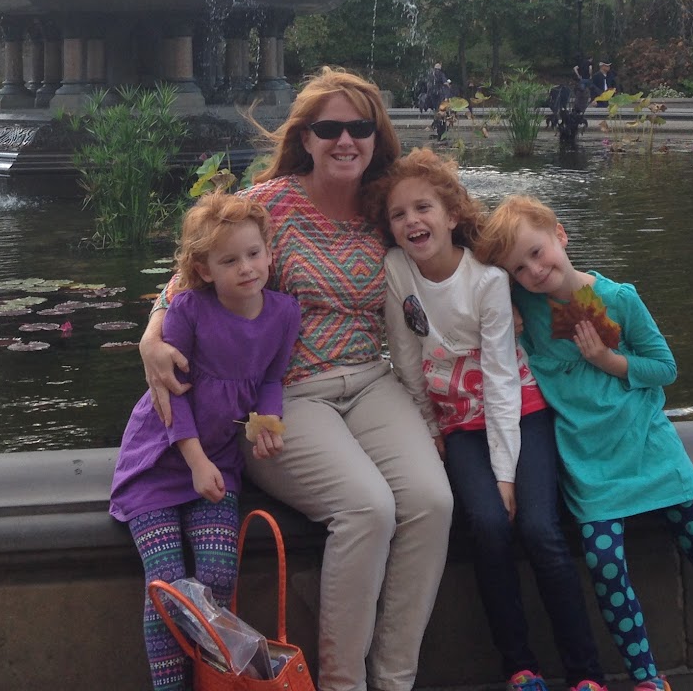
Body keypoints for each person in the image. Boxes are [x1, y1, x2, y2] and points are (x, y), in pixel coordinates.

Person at [140, 68, 453, 691]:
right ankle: (342, 685)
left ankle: (394, 681)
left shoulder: (384, 206)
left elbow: (463, 250)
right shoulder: (273, 204)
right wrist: (152, 333)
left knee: (432, 502)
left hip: (371, 381)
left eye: (359, 127)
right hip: (280, 397)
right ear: (305, 137)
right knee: (367, 507)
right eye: (328, 128)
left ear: (375, 135)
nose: (345, 140)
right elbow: (192, 277)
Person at [476, 196, 693, 691]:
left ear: (560, 235)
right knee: (605, 565)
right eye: (519, 269)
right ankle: (647, 679)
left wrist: (610, 362)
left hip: (651, 449)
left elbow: (665, 367)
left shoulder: (619, 299)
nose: (533, 270)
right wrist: (503, 296)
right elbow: (471, 274)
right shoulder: (523, 302)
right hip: (591, 464)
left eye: (537, 252)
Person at [372, 150, 608, 691]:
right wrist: (430, 431)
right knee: (486, 525)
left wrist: (505, 474)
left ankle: (585, 673)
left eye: (423, 207)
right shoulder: (396, 269)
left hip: (520, 415)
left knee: (540, 529)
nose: (412, 221)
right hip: (458, 427)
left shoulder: (486, 282)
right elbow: (406, 359)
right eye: (399, 214)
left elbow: (503, 379)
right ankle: (519, 665)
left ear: (452, 214)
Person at [111, 192, 301, 691]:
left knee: (217, 574)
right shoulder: (190, 310)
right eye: (229, 260)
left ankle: (211, 680)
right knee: (168, 582)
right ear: (204, 267)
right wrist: (193, 461)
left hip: (217, 459)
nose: (246, 268)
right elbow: (170, 398)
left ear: (269, 252)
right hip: (159, 459)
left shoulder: (284, 313)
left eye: (254, 254)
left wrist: (266, 426)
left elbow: (271, 382)